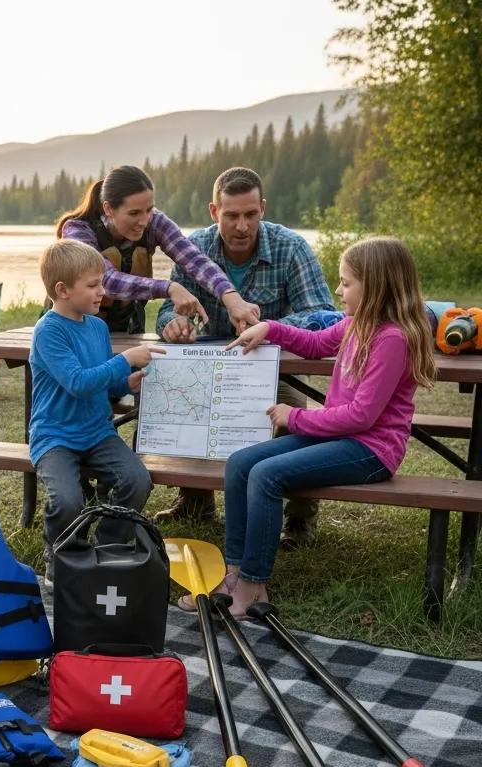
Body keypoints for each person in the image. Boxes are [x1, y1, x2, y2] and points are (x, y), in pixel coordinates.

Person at [183, 236, 436, 619]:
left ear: (375, 285)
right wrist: (269, 328)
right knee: (240, 464)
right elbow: (316, 344)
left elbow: (362, 417)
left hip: (371, 449)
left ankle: (253, 584)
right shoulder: (356, 324)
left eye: (346, 283)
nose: (339, 290)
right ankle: (233, 574)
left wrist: (294, 417)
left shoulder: (392, 340)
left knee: (266, 475)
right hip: (338, 436)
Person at [154, 167, 339, 547]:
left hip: (275, 366)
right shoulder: (194, 248)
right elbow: (168, 310)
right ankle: (195, 500)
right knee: (178, 400)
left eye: (251, 214)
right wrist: (173, 323)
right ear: (213, 211)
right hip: (210, 366)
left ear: (263, 208)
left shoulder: (291, 247)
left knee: (297, 418)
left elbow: (323, 313)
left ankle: (299, 518)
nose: (242, 226)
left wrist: (270, 326)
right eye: (232, 215)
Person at [30, 239, 165, 587]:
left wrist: (127, 382)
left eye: (101, 283)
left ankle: (107, 547)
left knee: (137, 481)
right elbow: (78, 382)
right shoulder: (48, 331)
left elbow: (104, 383)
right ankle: (62, 556)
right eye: (93, 285)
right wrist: (124, 360)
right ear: (62, 290)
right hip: (55, 436)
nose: (102, 292)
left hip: (97, 432)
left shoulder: (98, 327)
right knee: (67, 500)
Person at [57, 165, 261, 337]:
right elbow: (105, 280)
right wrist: (168, 287)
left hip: (127, 332)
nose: (144, 221)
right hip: (72, 331)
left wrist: (231, 298)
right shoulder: (78, 231)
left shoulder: (155, 222)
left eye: (149, 209)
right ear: (109, 209)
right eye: (134, 213)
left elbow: (195, 260)